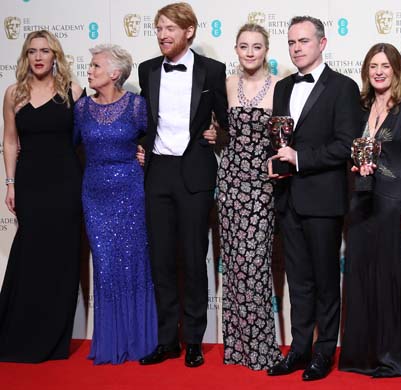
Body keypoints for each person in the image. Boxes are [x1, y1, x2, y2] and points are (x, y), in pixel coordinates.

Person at [266, 15, 362, 381]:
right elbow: (281, 140)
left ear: (322, 44)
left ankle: (324, 353)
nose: (296, 48)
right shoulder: (283, 86)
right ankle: (299, 349)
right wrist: (277, 161)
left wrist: (301, 159)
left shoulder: (343, 87)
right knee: (298, 281)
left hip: (323, 200)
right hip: (288, 198)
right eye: (291, 42)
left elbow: (345, 146)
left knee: (324, 281)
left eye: (303, 41)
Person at [136, 2, 228, 368]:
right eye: (159, 28)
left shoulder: (212, 71)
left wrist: (216, 133)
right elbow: (144, 119)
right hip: (157, 173)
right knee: (161, 261)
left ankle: (193, 341)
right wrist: (141, 146)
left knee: (193, 260)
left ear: (189, 31)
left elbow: (225, 122)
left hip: (195, 173)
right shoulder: (146, 70)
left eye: (170, 28)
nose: (162, 34)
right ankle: (165, 341)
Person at [338, 43, 401, 377]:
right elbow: (353, 153)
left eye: (385, 66)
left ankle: (391, 358)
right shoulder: (360, 108)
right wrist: (355, 168)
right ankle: (361, 356)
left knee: (389, 281)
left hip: (394, 203)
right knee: (359, 278)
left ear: (397, 71)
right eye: (373, 66)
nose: (378, 72)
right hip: (360, 202)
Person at [0, 30, 83, 362]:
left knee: (61, 259)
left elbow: (92, 134)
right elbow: (9, 140)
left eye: (45, 51)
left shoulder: (72, 92)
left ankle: (54, 339)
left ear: (55, 56)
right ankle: (20, 332)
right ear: (25, 56)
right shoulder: (13, 94)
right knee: (31, 256)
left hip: (66, 183)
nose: (38, 56)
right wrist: (10, 183)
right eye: (32, 51)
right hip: (31, 183)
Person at [73, 44, 158, 365]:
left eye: (96, 66)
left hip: (131, 192)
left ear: (114, 73)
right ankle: (111, 341)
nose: (90, 70)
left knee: (134, 262)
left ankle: (140, 339)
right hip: (94, 195)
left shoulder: (136, 106)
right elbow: (66, 147)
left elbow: (158, 140)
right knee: (107, 267)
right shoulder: (81, 109)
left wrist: (145, 153)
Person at [217, 23, 282, 370]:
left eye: (257, 46)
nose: (250, 52)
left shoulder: (279, 87)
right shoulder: (226, 85)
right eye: (244, 46)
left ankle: (261, 349)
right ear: (237, 50)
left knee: (256, 265)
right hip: (229, 181)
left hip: (262, 183)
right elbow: (216, 130)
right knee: (236, 266)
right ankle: (238, 348)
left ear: (266, 49)